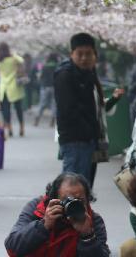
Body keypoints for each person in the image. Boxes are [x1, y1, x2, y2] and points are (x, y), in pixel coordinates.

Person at [55, 33, 123, 187]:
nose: (84, 58)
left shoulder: (88, 74)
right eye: (80, 54)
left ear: (95, 55)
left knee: (84, 186)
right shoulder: (65, 75)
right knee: (72, 187)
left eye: (88, 54)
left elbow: (96, 106)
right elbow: (68, 110)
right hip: (75, 139)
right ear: (71, 54)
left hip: (88, 140)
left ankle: (81, 211)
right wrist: (88, 130)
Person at [4, 172, 110, 257]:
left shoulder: (92, 221)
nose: (73, 204)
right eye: (67, 200)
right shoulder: (37, 209)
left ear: (87, 200)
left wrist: (87, 236)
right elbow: (12, 247)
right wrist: (43, 226)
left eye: (79, 200)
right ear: (54, 198)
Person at [0, 42, 27, 137]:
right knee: (18, 108)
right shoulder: (13, 59)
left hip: (3, 87)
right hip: (14, 86)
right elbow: (21, 60)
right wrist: (14, 54)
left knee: (6, 109)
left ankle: (9, 128)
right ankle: (21, 127)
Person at [34, 53, 59, 127]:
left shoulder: (45, 66)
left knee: (42, 104)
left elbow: (41, 76)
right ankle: (52, 121)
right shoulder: (57, 66)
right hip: (54, 87)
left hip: (45, 87)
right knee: (54, 104)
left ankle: (37, 120)